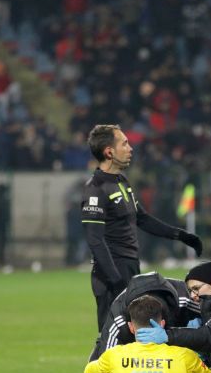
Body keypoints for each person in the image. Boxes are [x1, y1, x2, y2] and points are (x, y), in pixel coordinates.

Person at [81, 124, 203, 332]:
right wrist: (117, 282)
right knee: (112, 336)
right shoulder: (96, 189)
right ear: (109, 152)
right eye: (124, 143)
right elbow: (95, 240)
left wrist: (180, 235)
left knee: (133, 335)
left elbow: (142, 219)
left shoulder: (122, 182)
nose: (130, 148)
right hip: (110, 272)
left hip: (129, 268)